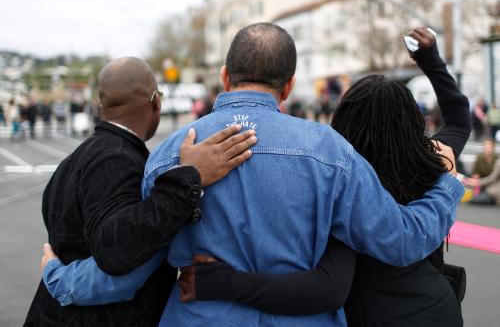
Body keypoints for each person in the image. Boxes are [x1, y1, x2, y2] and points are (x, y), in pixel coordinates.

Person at [38, 24, 463, 327]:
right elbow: (400, 239)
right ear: (290, 86)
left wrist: (60, 277)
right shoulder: (330, 151)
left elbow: (131, 267)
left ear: (226, 76)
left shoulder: (172, 152)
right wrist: (448, 186)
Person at [177, 27, 470, 327]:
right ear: (412, 119)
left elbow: (328, 287)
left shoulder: (340, 181)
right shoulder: (434, 162)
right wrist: (430, 59)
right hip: (439, 309)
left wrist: (224, 283)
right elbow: (459, 117)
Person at [24, 57, 256, 327]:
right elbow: (117, 252)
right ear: (156, 102)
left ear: (101, 104)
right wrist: (189, 176)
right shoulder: (115, 159)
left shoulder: (75, 160)